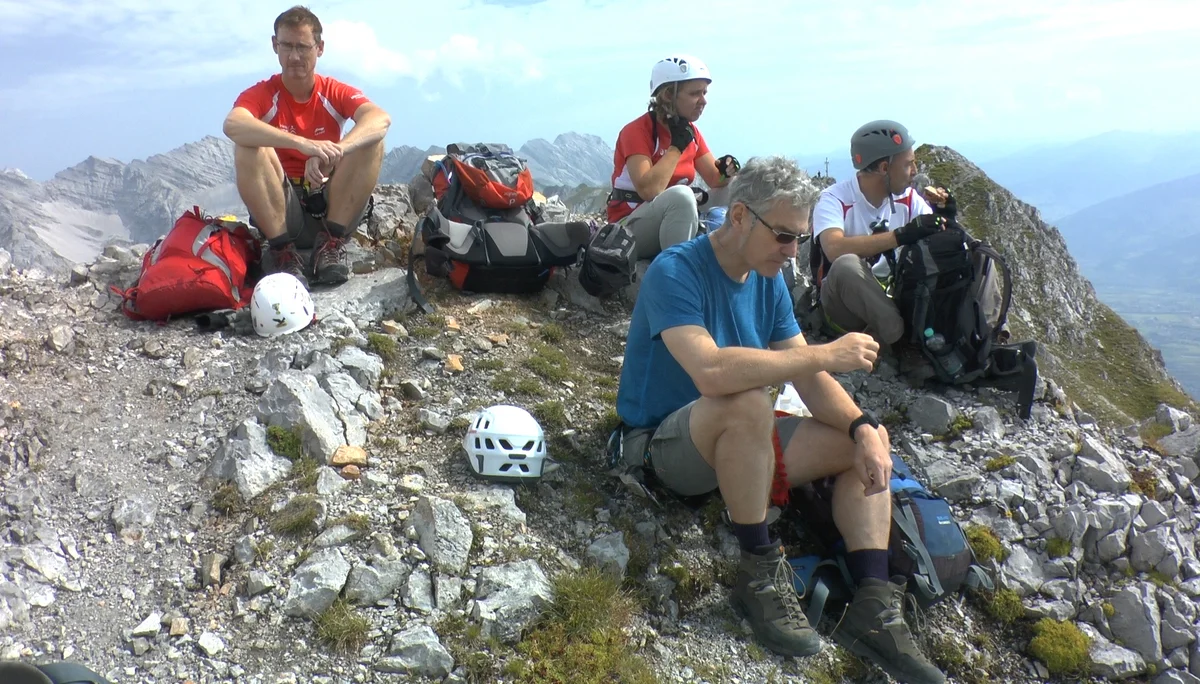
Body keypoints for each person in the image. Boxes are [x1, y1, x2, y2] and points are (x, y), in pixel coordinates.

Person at [614, 155, 945, 684]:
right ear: (740, 216)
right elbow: (711, 371)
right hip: (666, 448)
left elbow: (811, 383)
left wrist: (863, 427)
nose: (793, 252)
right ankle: (760, 570)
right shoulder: (674, 271)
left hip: (737, 445)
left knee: (859, 440)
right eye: (785, 236)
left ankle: (875, 606)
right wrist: (822, 353)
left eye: (800, 238)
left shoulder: (764, 277)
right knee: (746, 400)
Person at [223, 5, 391, 289]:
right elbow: (233, 125)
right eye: (286, 46)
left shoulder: (333, 91)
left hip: (330, 207)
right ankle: (282, 253)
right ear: (275, 46)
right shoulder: (264, 93)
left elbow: (379, 119)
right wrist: (303, 144)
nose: (295, 56)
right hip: (282, 212)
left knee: (371, 141)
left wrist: (334, 151)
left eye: (303, 46)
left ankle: (331, 246)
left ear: (320, 48)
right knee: (248, 145)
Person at [809, 120, 949, 346]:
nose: (914, 172)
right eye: (908, 165)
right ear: (884, 168)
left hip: (895, 297)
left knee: (974, 251)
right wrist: (899, 236)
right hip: (845, 309)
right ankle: (902, 341)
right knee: (846, 265)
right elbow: (833, 248)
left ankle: (986, 336)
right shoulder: (834, 199)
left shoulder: (910, 199)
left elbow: (939, 240)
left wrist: (947, 219)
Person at [606, 55, 740, 259]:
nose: (703, 101)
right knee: (682, 197)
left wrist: (727, 170)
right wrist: (676, 148)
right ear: (668, 94)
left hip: (674, 217)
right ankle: (678, 276)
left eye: (704, 93)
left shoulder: (690, 132)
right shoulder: (637, 131)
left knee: (740, 188)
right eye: (695, 93)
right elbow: (648, 190)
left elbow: (715, 180)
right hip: (629, 228)